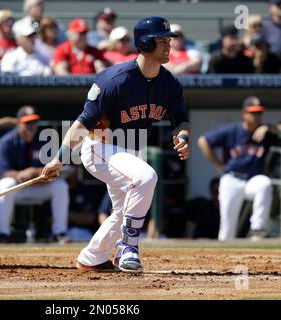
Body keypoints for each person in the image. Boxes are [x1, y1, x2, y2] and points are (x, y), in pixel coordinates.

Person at [42, 16, 190, 273]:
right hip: (100, 148)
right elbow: (82, 123)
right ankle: (128, 248)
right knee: (146, 177)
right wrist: (60, 157)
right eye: (162, 41)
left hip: (132, 151)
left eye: (169, 41)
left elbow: (181, 121)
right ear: (144, 43)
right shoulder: (114, 79)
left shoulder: (170, 83)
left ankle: (92, 257)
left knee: (125, 210)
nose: (169, 46)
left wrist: (183, 137)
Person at [197, 96, 278, 241]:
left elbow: (279, 128)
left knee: (265, 183)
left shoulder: (266, 133)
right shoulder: (232, 131)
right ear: (244, 114)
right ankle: (223, 259)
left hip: (252, 180)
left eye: (259, 113)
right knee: (227, 227)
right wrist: (217, 164)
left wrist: (268, 127)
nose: (256, 116)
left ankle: (258, 228)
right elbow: (203, 141)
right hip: (232, 180)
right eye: (252, 112)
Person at [0, 106, 69, 243]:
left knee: (60, 186)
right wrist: (21, 174)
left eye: (34, 122)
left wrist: (34, 172)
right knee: (4, 184)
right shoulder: (7, 141)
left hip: (38, 186)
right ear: (19, 123)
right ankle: (2, 233)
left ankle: (60, 233)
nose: (32, 126)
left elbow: (61, 168)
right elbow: (3, 172)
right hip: (16, 188)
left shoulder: (44, 140)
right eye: (27, 122)